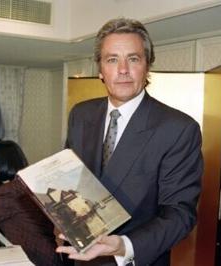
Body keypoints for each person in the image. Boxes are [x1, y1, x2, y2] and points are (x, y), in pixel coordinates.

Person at [57, 18, 203, 266]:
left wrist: (124, 245)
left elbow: (179, 214)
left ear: (147, 66)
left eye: (133, 59)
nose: (123, 69)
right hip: (79, 257)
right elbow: (72, 177)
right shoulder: (81, 114)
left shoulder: (178, 128)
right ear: (100, 70)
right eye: (112, 59)